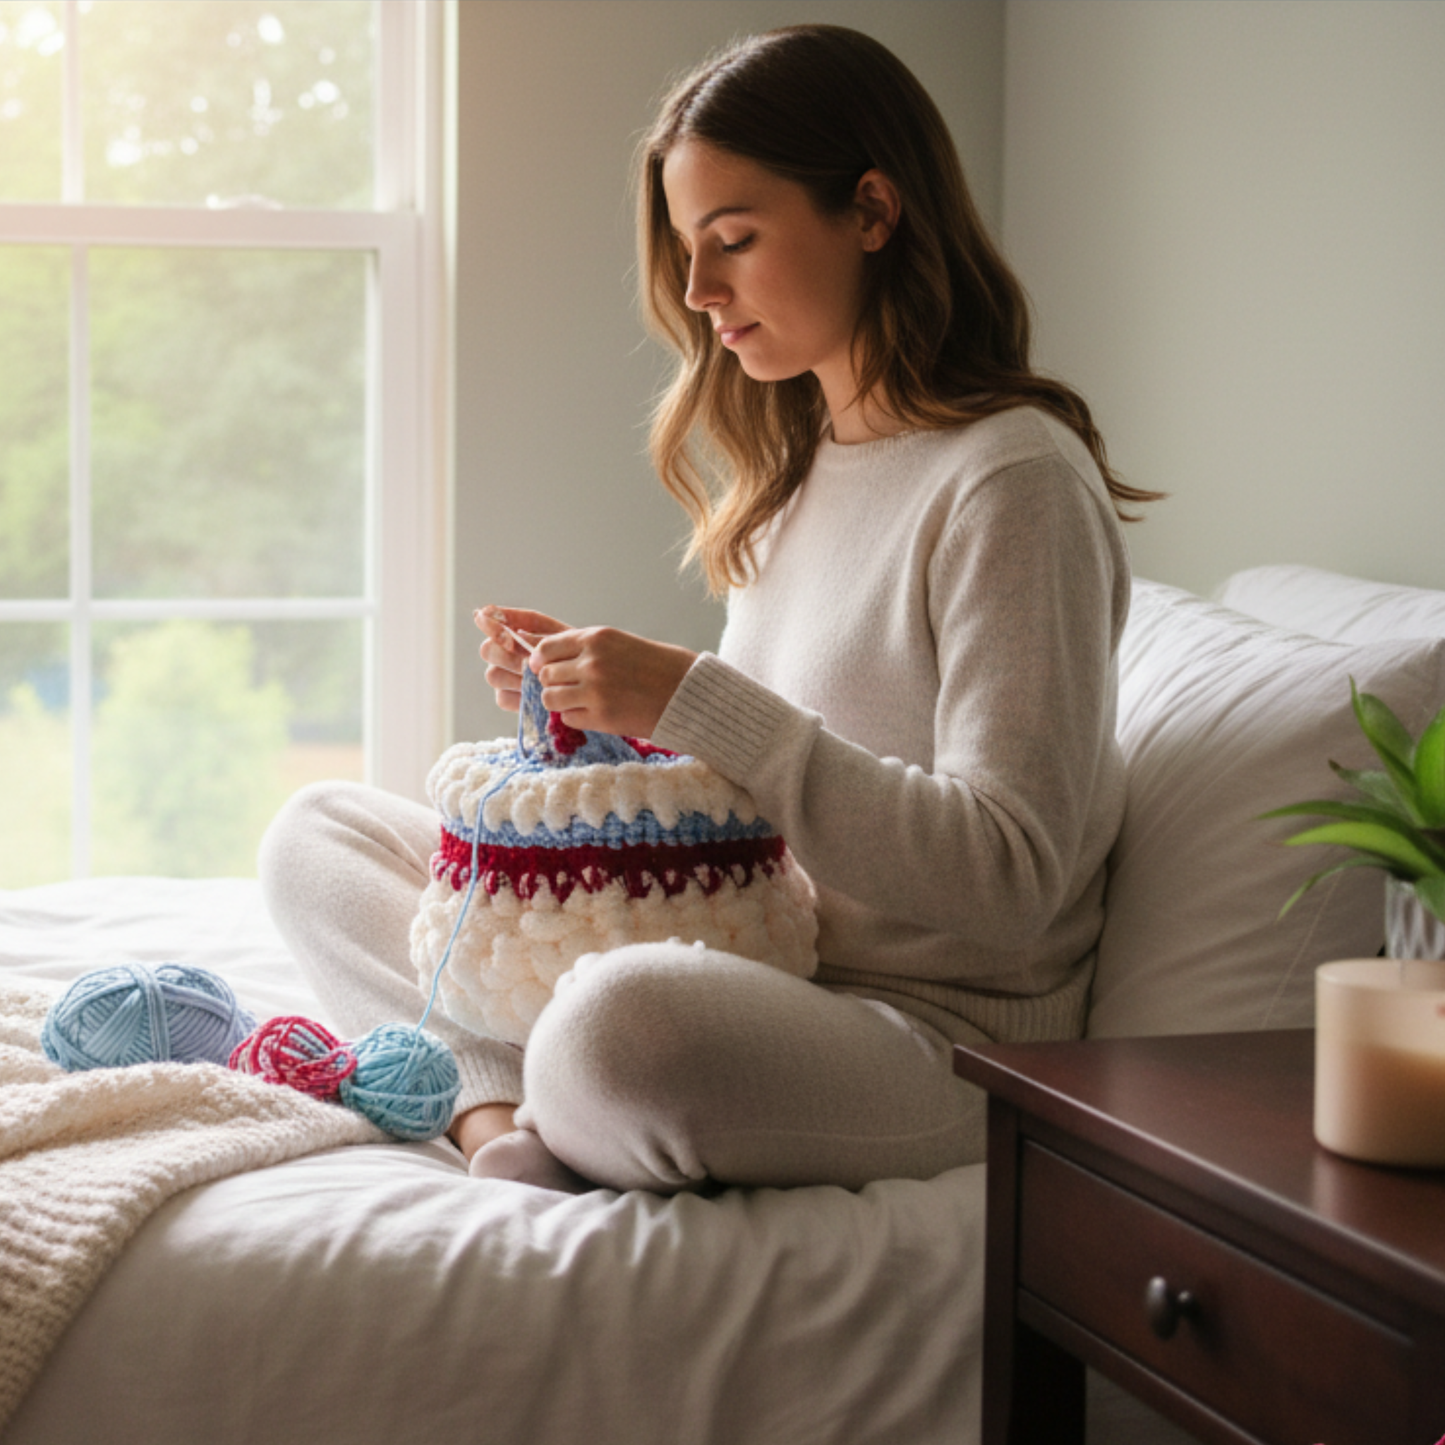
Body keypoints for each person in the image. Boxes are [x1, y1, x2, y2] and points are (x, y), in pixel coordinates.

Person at [260, 24, 1158, 1195]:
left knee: (616, 1022)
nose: (697, 292)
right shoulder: (802, 469)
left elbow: (1007, 872)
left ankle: (544, 1089)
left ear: (873, 210)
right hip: (759, 954)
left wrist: (693, 696)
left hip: (936, 1031)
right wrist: (612, 719)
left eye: (732, 240)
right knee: (321, 839)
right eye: (688, 250)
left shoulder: (1011, 481)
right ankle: (495, 1120)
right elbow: (768, 793)